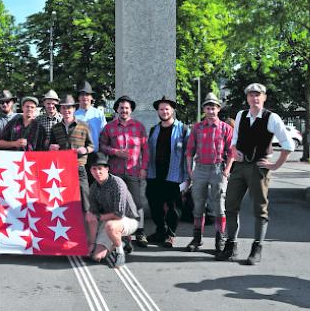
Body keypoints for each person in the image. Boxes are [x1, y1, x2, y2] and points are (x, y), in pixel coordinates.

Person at [216, 83, 294, 265]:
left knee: (260, 209)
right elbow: (234, 141)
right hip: (240, 167)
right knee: (230, 205)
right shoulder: (241, 115)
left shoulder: (271, 117)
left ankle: (257, 247)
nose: (254, 98)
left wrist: (274, 165)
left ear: (264, 97)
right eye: (251, 95)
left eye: (258, 95)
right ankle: (231, 245)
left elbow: (288, 145)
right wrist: (235, 151)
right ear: (247, 98)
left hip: (259, 167)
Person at [185, 92, 234, 253]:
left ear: (218, 109)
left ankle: (220, 239)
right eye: (208, 108)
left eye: (213, 108)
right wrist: (190, 171)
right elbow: (189, 151)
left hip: (217, 169)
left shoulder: (226, 129)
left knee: (220, 206)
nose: (211, 111)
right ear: (204, 110)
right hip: (199, 170)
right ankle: (197, 238)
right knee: (198, 206)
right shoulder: (197, 128)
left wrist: (226, 170)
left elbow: (231, 152)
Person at [99, 95, 149, 248]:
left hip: (134, 171)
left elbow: (145, 150)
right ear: (117, 110)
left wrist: (144, 168)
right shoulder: (109, 127)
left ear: (131, 110)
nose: (124, 110)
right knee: (118, 205)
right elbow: (102, 146)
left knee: (137, 203)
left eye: (127, 108)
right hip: (115, 173)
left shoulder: (139, 127)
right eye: (121, 108)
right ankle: (124, 236)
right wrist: (115, 152)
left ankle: (140, 232)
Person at [48, 94, 97, 245]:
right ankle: (67, 237)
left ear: (74, 109)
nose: (66, 110)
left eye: (69, 107)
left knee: (85, 203)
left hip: (79, 168)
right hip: (61, 171)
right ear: (60, 109)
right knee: (64, 204)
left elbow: (92, 146)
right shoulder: (55, 128)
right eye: (64, 107)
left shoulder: (83, 125)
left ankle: (90, 240)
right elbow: (50, 146)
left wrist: (85, 150)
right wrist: (51, 147)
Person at [145, 96, 190, 248]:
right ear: (158, 111)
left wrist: (189, 176)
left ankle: (170, 234)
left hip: (174, 174)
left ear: (172, 110)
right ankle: (161, 230)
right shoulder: (154, 130)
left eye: (167, 109)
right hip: (155, 173)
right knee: (154, 203)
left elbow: (189, 154)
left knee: (173, 207)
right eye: (161, 109)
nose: (164, 112)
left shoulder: (183, 130)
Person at [86, 152, 140, 268]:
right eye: (94, 169)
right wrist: (92, 243)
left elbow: (119, 214)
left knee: (110, 226)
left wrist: (99, 217)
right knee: (96, 257)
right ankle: (123, 242)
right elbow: (93, 216)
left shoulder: (117, 183)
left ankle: (120, 252)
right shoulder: (94, 188)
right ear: (90, 171)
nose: (97, 172)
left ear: (107, 169)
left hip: (128, 219)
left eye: (100, 169)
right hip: (109, 220)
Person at [75, 81, 107, 157]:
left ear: (91, 97)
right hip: (79, 155)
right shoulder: (74, 115)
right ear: (78, 97)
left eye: (87, 94)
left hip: (96, 153)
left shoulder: (99, 114)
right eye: (82, 94)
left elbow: (104, 134)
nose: (84, 97)